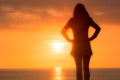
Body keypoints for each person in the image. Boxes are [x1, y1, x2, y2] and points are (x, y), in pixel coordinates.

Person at [61, 3, 101, 80]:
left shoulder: (72, 20)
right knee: (86, 69)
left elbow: (63, 31)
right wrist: (91, 38)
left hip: (76, 47)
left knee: (78, 69)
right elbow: (98, 28)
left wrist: (69, 40)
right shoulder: (87, 20)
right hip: (86, 46)